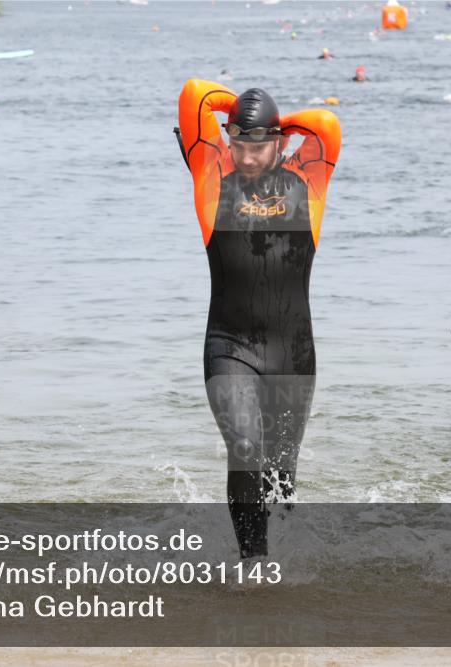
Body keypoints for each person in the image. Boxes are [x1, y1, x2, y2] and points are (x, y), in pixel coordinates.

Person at [176, 80, 340, 560]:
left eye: (258, 145)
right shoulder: (211, 176)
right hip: (230, 345)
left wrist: (274, 122)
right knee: (246, 449)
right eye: (238, 143)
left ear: (281, 143)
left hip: (294, 351)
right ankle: (255, 565)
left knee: (280, 476)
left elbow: (327, 125)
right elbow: (194, 94)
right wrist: (244, 115)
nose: (246, 156)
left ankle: (284, 560)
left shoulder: (309, 182)